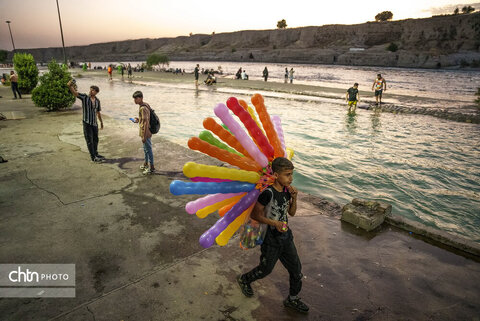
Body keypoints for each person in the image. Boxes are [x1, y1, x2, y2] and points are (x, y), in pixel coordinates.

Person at [237, 157, 309, 314]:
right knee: (265, 269)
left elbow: (291, 213)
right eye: (287, 175)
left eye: (292, 174)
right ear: (276, 175)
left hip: (286, 237)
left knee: (296, 270)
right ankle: (244, 279)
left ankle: (293, 298)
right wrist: (275, 223)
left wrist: (294, 199)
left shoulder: (286, 191)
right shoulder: (267, 194)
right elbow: (256, 215)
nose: (291, 178)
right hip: (271, 239)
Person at [67, 80, 105, 163]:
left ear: (96, 92)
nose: (90, 91)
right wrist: (70, 86)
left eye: (93, 90)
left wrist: (101, 122)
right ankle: (93, 157)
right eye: (90, 89)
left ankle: (96, 153)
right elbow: (75, 93)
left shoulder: (97, 101)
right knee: (89, 140)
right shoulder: (85, 97)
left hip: (94, 123)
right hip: (87, 122)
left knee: (96, 140)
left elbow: (98, 113)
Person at [132, 91, 155, 175]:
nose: (134, 100)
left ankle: (151, 167)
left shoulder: (142, 108)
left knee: (148, 150)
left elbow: (145, 123)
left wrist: (144, 136)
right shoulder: (145, 105)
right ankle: (146, 164)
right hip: (146, 131)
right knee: (145, 149)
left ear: (141, 98)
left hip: (146, 132)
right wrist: (138, 120)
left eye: (136, 98)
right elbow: (145, 119)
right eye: (134, 99)